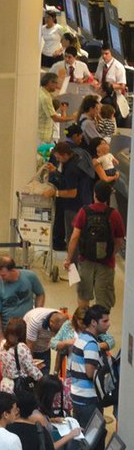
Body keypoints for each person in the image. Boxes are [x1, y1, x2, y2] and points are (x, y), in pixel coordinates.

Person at [64, 180, 125, 310]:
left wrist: (68, 259)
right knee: (103, 301)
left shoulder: (84, 212)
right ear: (108, 196)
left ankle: (83, 326)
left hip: (85, 260)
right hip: (106, 263)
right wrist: (111, 254)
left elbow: (74, 237)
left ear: (94, 194)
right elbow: (119, 240)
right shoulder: (114, 214)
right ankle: (99, 328)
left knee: (83, 298)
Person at [66, 304, 110, 428]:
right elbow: (90, 373)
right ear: (93, 322)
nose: (109, 324)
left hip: (77, 396)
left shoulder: (82, 338)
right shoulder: (91, 344)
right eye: (105, 321)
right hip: (88, 399)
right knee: (92, 438)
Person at [0, 257, 45, 345]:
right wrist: (0, 337)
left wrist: (37, 314)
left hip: (28, 329)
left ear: (13, 270)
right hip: (9, 331)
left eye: (3, 275)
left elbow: (40, 294)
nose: (1, 278)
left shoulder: (30, 277)